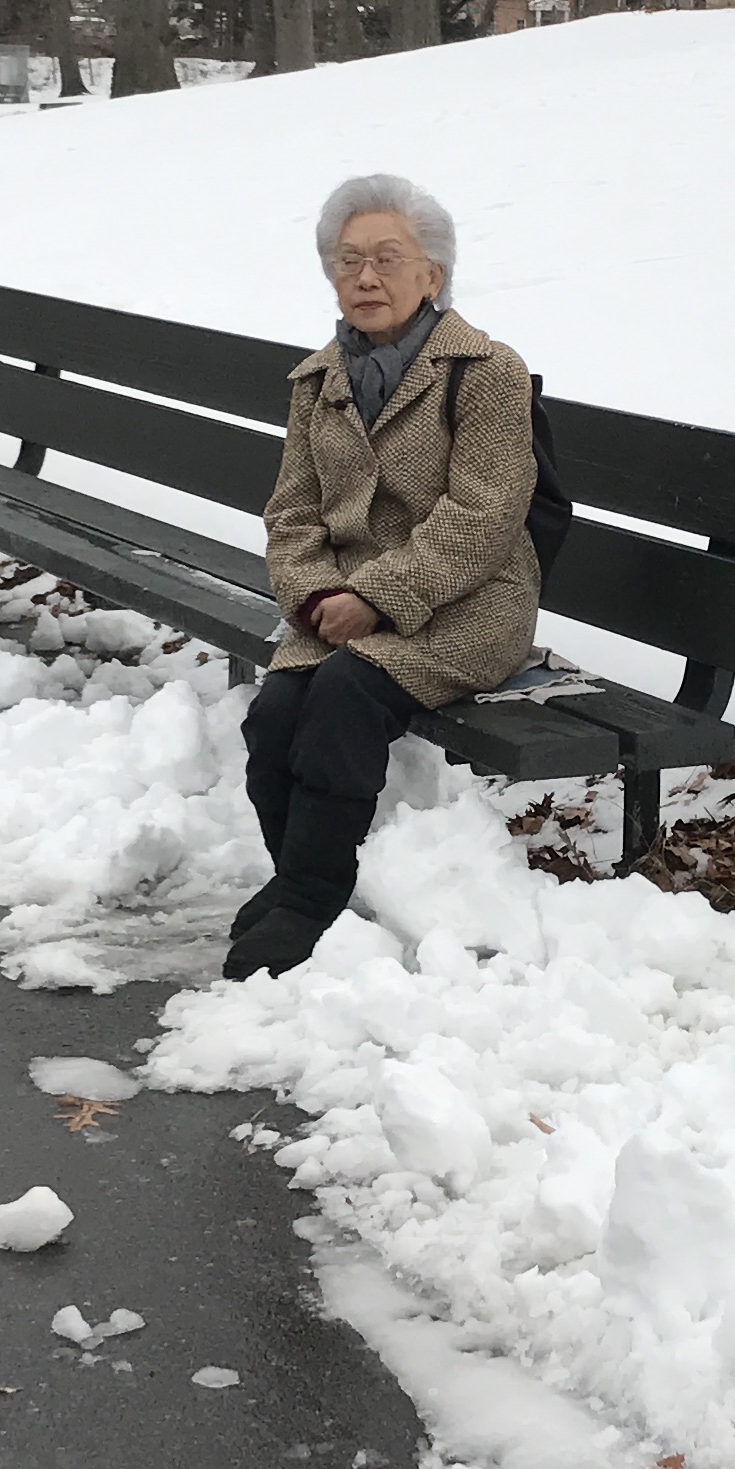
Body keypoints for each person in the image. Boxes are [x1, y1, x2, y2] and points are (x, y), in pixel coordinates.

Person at [234, 173, 540, 979]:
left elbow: (484, 514)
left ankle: (310, 900)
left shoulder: (487, 373)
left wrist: (377, 597)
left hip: (471, 602)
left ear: (431, 275)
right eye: (347, 261)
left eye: (386, 259)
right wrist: (313, 594)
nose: (364, 277)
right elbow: (291, 514)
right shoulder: (319, 381)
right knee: (274, 719)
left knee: (343, 697)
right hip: (340, 603)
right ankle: (298, 878)